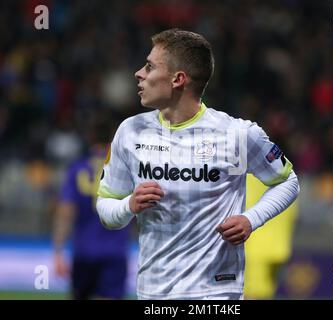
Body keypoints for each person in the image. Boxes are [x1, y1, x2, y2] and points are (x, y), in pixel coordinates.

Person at [96, 28, 300, 300]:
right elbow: (106, 206)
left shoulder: (236, 134)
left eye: (149, 66)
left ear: (178, 79)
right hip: (153, 292)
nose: (139, 73)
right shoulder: (130, 132)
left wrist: (252, 218)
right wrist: (129, 205)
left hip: (216, 291)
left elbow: (287, 181)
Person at [53, 114, 131, 300]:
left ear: (90, 137)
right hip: (114, 252)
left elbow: (66, 212)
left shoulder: (77, 168)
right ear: (114, 137)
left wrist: (57, 251)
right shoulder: (125, 168)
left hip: (83, 252)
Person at [244, 173, 298, 299]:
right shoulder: (287, 173)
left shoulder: (245, 176)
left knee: (253, 294)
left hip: (255, 246)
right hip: (280, 245)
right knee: (266, 293)